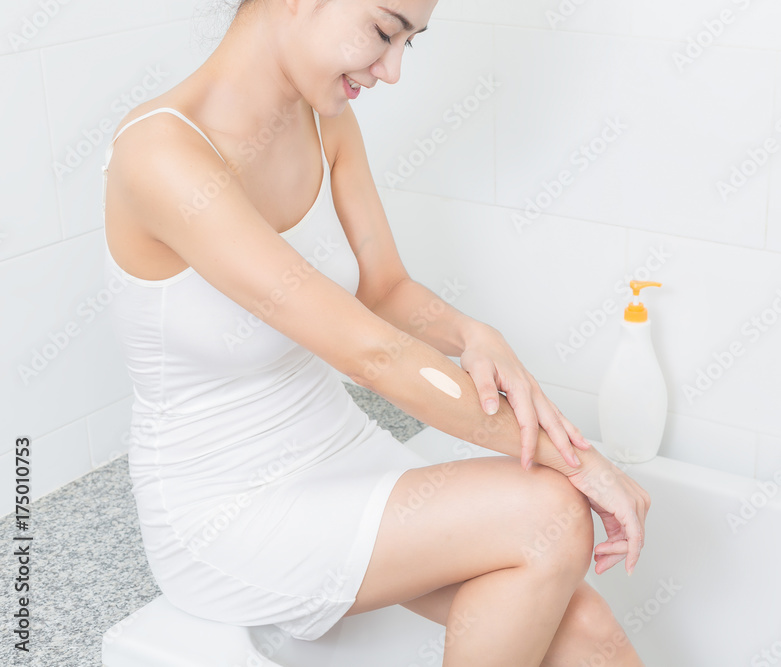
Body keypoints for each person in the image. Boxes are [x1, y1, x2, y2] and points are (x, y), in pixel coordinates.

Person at [101, 0, 651, 663]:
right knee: (552, 513)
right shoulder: (159, 154)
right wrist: (582, 462)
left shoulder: (324, 120)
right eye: (385, 31)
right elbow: (370, 352)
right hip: (225, 506)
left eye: (408, 45)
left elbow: (383, 288)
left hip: (337, 449)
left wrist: (473, 332)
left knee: (581, 623)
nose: (391, 70)